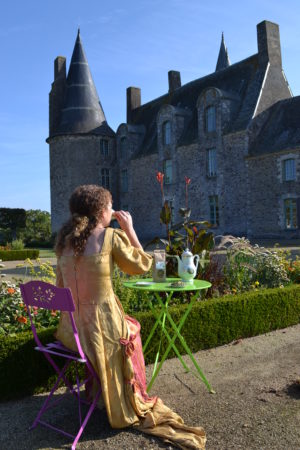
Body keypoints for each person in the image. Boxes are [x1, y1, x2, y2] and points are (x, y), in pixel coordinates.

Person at [55, 184, 206, 449]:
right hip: (101, 334)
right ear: (101, 211)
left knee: (127, 325)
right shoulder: (110, 236)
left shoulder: (65, 242)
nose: (113, 211)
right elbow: (142, 265)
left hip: (72, 333)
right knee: (132, 330)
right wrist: (130, 230)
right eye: (110, 206)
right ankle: (125, 394)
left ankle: (101, 391)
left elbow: (58, 289)